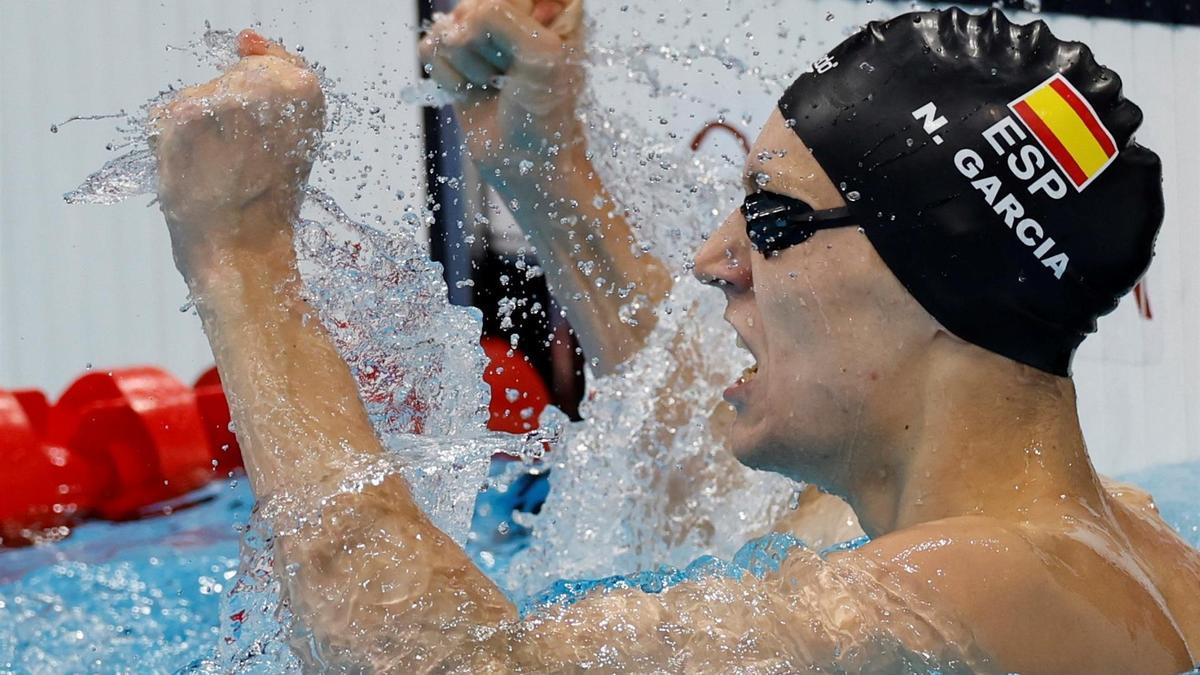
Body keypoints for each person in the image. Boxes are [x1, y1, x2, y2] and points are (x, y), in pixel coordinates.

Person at [150, 6, 1200, 673]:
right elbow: (710, 477)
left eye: (775, 220)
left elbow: (451, 673)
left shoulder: (968, 585)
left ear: (937, 279)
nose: (715, 258)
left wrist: (240, 260)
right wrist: (546, 169)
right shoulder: (1133, 548)